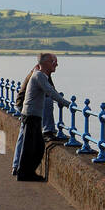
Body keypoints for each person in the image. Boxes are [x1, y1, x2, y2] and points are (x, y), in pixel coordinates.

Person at [15, 53, 66, 182]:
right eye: (54, 61)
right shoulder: (39, 75)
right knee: (31, 146)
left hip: (33, 115)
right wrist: (66, 103)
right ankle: (24, 173)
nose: (56, 64)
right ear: (47, 63)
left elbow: (50, 91)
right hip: (31, 115)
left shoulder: (40, 75)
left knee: (36, 146)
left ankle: (24, 172)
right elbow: (50, 91)